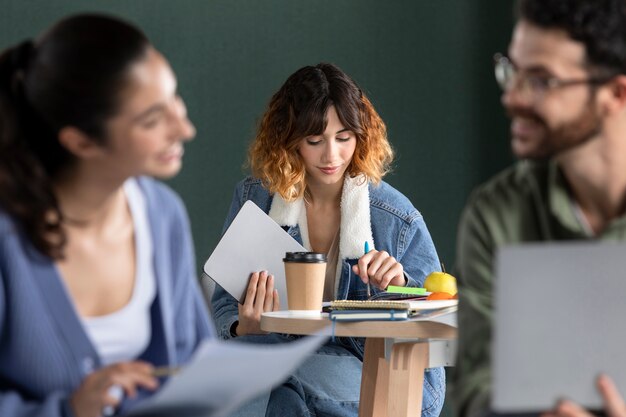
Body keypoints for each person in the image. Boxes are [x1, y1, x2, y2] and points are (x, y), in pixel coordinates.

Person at [0, 13, 213, 417]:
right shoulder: (7, 239)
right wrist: (67, 410)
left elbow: (196, 365)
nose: (184, 128)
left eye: (174, 99)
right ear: (81, 141)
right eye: (153, 119)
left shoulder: (163, 214)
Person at [211, 62, 446, 417]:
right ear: (289, 140)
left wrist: (400, 287)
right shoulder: (255, 200)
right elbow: (223, 307)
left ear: (361, 136)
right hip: (281, 358)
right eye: (315, 140)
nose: (331, 156)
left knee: (262, 385)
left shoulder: (395, 216)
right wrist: (246, 325)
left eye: (344, 138)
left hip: (380, 371)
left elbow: (438, 317)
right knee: (272, 390)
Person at [452, 1, 626, 417]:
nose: (512, 97)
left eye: (542, 80)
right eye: (512, 71)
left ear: (615, 94)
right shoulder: (495, 213)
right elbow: (476, 389)